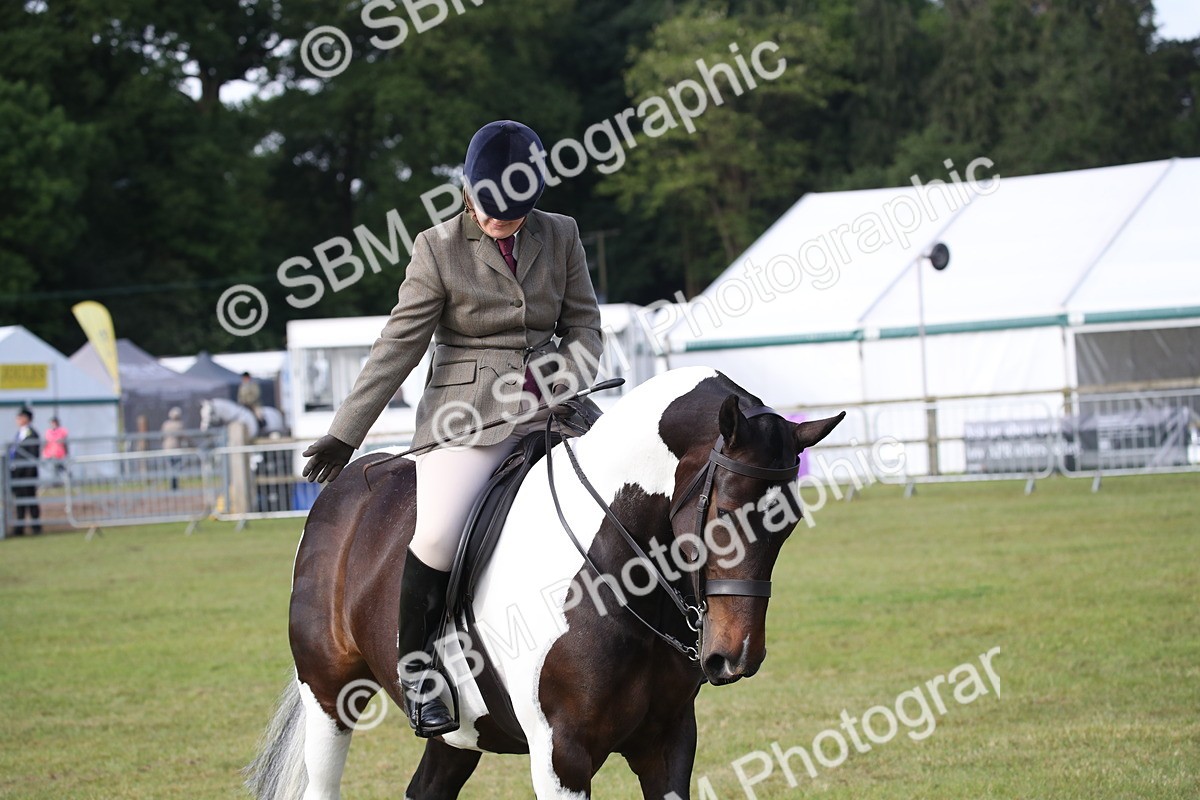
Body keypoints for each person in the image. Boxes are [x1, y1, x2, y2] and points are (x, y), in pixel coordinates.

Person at [301, 120, 603, 737]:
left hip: (554, 408)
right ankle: (419, 671)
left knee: (625, 496)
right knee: (437, 535)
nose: (501, 224)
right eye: (491, 213)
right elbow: (399, 345)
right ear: (469, 192)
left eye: (514, 215)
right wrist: (346, 431)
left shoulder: (562, 234)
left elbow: (585, 330)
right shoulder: (435, 247)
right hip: (466, 418)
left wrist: (555, 378)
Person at [8, 407, 41, 536]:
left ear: (26, 418)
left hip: (27, 474)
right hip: (17, 474)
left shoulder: (32, 433)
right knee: (20, 501)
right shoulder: (19, 433)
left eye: (19, 417)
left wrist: (28, 473)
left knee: (31, 499)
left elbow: (33, 455)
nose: (17, 420)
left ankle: (36, 527)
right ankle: (19, 527)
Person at [160, 407, 187, 491]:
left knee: (171, 468)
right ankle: (174, 486)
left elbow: (162, 436)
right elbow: (184, 437)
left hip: (167, 449)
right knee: (176, 468)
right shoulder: (179, 425)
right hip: (176, 449)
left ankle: (173, 485)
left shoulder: (166, 424)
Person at [41, 416, 69, 482]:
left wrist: (67, 452)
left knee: (59, 467)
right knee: (53, 468)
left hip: (59, 453)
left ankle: (64, 479)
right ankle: (55, 481)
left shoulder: (62, 431)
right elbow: (45, 443)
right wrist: (43, 452)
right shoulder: (48, 432)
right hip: (50, 453)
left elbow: (65, 443)